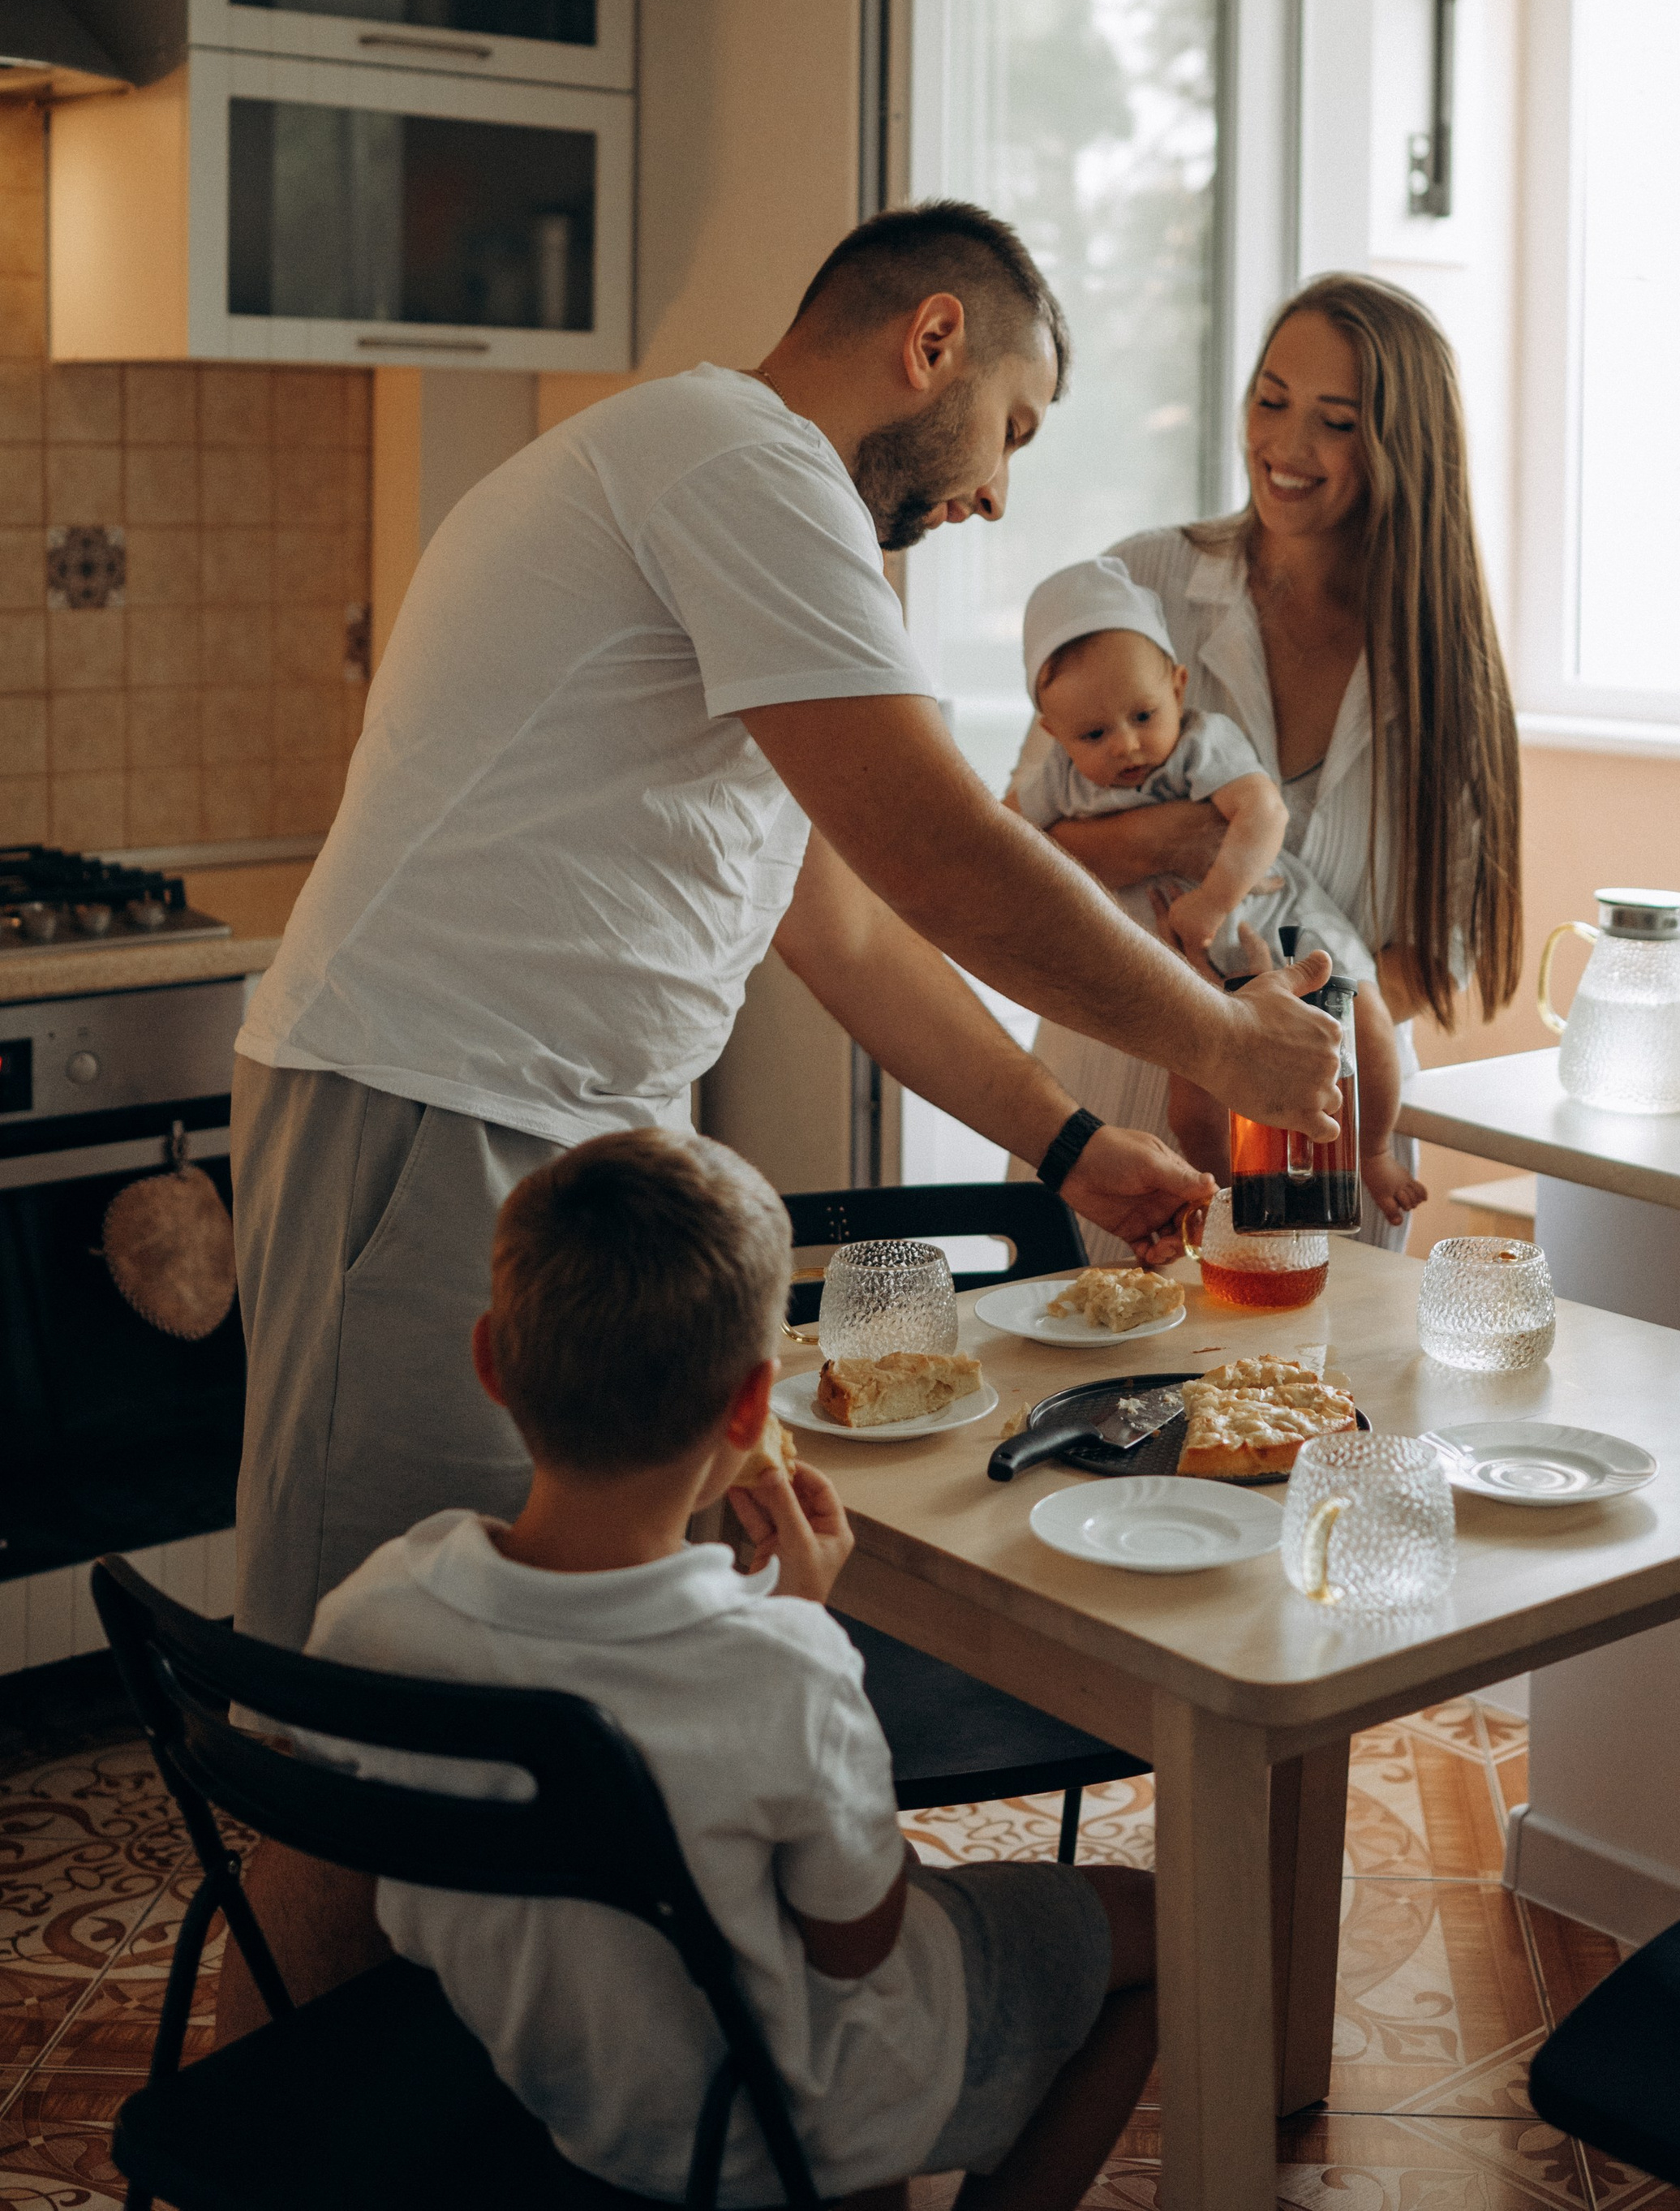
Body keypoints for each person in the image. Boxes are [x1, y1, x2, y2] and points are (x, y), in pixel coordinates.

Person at [232, 199, 1342, 1658]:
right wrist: (1223, 1043)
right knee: (367, 1674)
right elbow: (942, 855)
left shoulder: (752, 503)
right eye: (1011, 429)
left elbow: (850, 929)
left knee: (554, 1660)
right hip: (424, 1100)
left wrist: (1073, 1143)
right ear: (933, 340)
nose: (997, 496)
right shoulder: (740, 462)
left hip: (571, 1133)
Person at [305, 1130, 1155, 2211]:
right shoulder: (782, 1668)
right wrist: (801, 1625)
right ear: (753, 1408)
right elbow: (858, 1948)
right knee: (1158, 1926)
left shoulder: (374, 1609)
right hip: (771, 2109)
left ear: (491, 1361)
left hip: (555, 2079)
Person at [1022, 275, 1523, 1259]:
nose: (1286, 447)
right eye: (1270, 399)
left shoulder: (1447, 667)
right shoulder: (1144, 584)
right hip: (1116, 1113)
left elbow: (1438, 952)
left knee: (1313, 1359)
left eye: (1335, 422)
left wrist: (1279, 1034)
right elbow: (1021, 848)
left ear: (1400, 447)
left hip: (1325, 1135)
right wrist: (1179, 844)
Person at [1008, 557, 1423, 1221]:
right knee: (1191, 1110)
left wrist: (1214, 900)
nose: (1126, 745)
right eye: (1094, 733)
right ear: (1052, 731)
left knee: (1364, 1018)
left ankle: (1373, 1151)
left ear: (1178, 688)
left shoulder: (1201, 743)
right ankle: (1229, 1204)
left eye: (1143, 715)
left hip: (1279, 917)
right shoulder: (1060, 776)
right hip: (1187, 968)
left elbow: (1264, 813)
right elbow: (1003, 838)